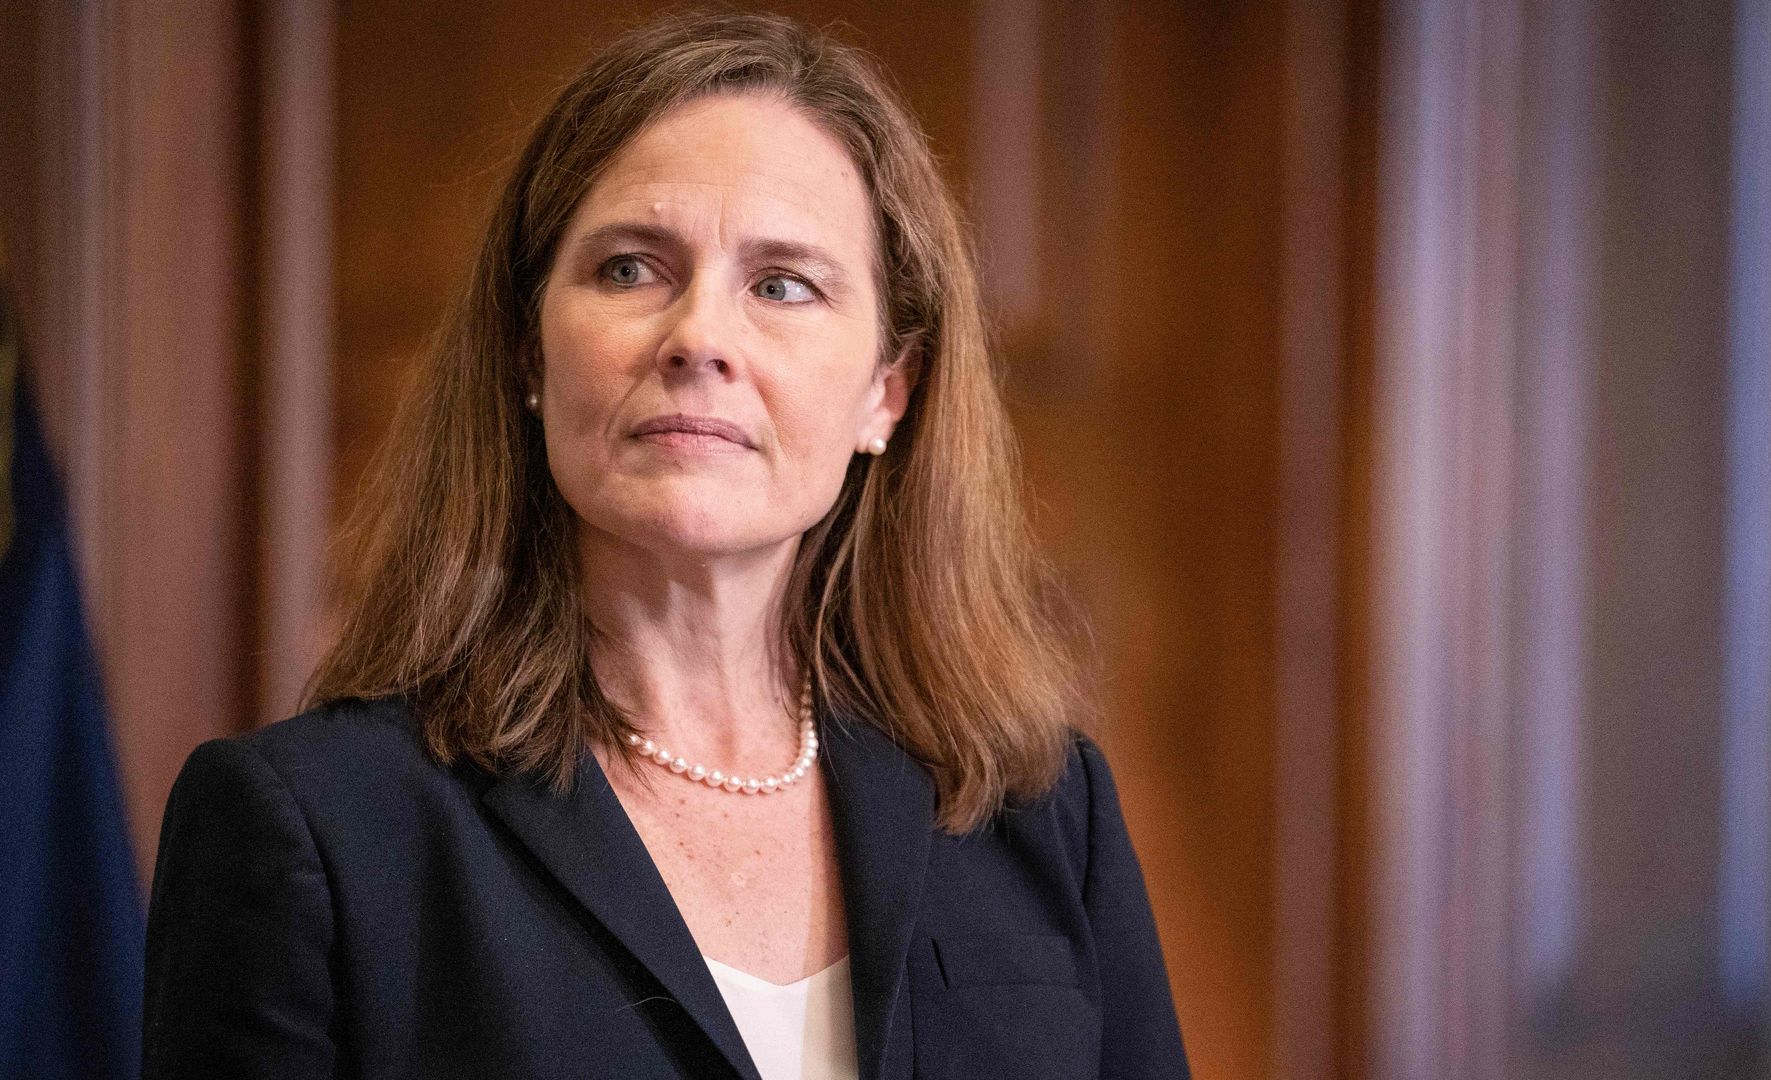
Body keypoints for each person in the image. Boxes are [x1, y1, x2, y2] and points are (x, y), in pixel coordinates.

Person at [140, 10, 1190, 1080]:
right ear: (529, 353)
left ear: (888, 392)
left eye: (783, 284)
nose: (699, 338)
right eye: (632, 269)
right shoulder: (312, 829)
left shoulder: (1042, 812)